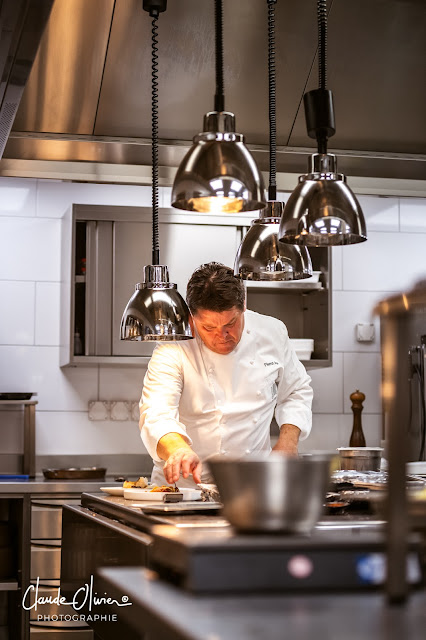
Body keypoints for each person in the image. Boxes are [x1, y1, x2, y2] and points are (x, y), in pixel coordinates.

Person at [139, 262, 313, 487]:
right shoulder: (173, 346)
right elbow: (156, 414)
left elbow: (296, 391)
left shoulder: (272, 332)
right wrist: (178, 449)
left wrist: (288, 442)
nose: (222, 336)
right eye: (209, 328)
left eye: (231, 324)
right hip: (185, 487)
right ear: (191, 318)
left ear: (244, 306)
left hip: (254, 484)